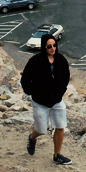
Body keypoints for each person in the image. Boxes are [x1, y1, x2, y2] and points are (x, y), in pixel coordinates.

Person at [21, 33, 72, 165]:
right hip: (40, 102)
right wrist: (33, 92)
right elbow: (25, 79)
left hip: (57, 100)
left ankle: (57, 155)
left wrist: (61, 91)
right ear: (44, 47)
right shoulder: (35, 61)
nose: (52, 48)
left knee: (60, 126)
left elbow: (66, 77)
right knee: (42, 130)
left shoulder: (61, 60)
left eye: (54, 45)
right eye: (49, 46)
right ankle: (32, 138)